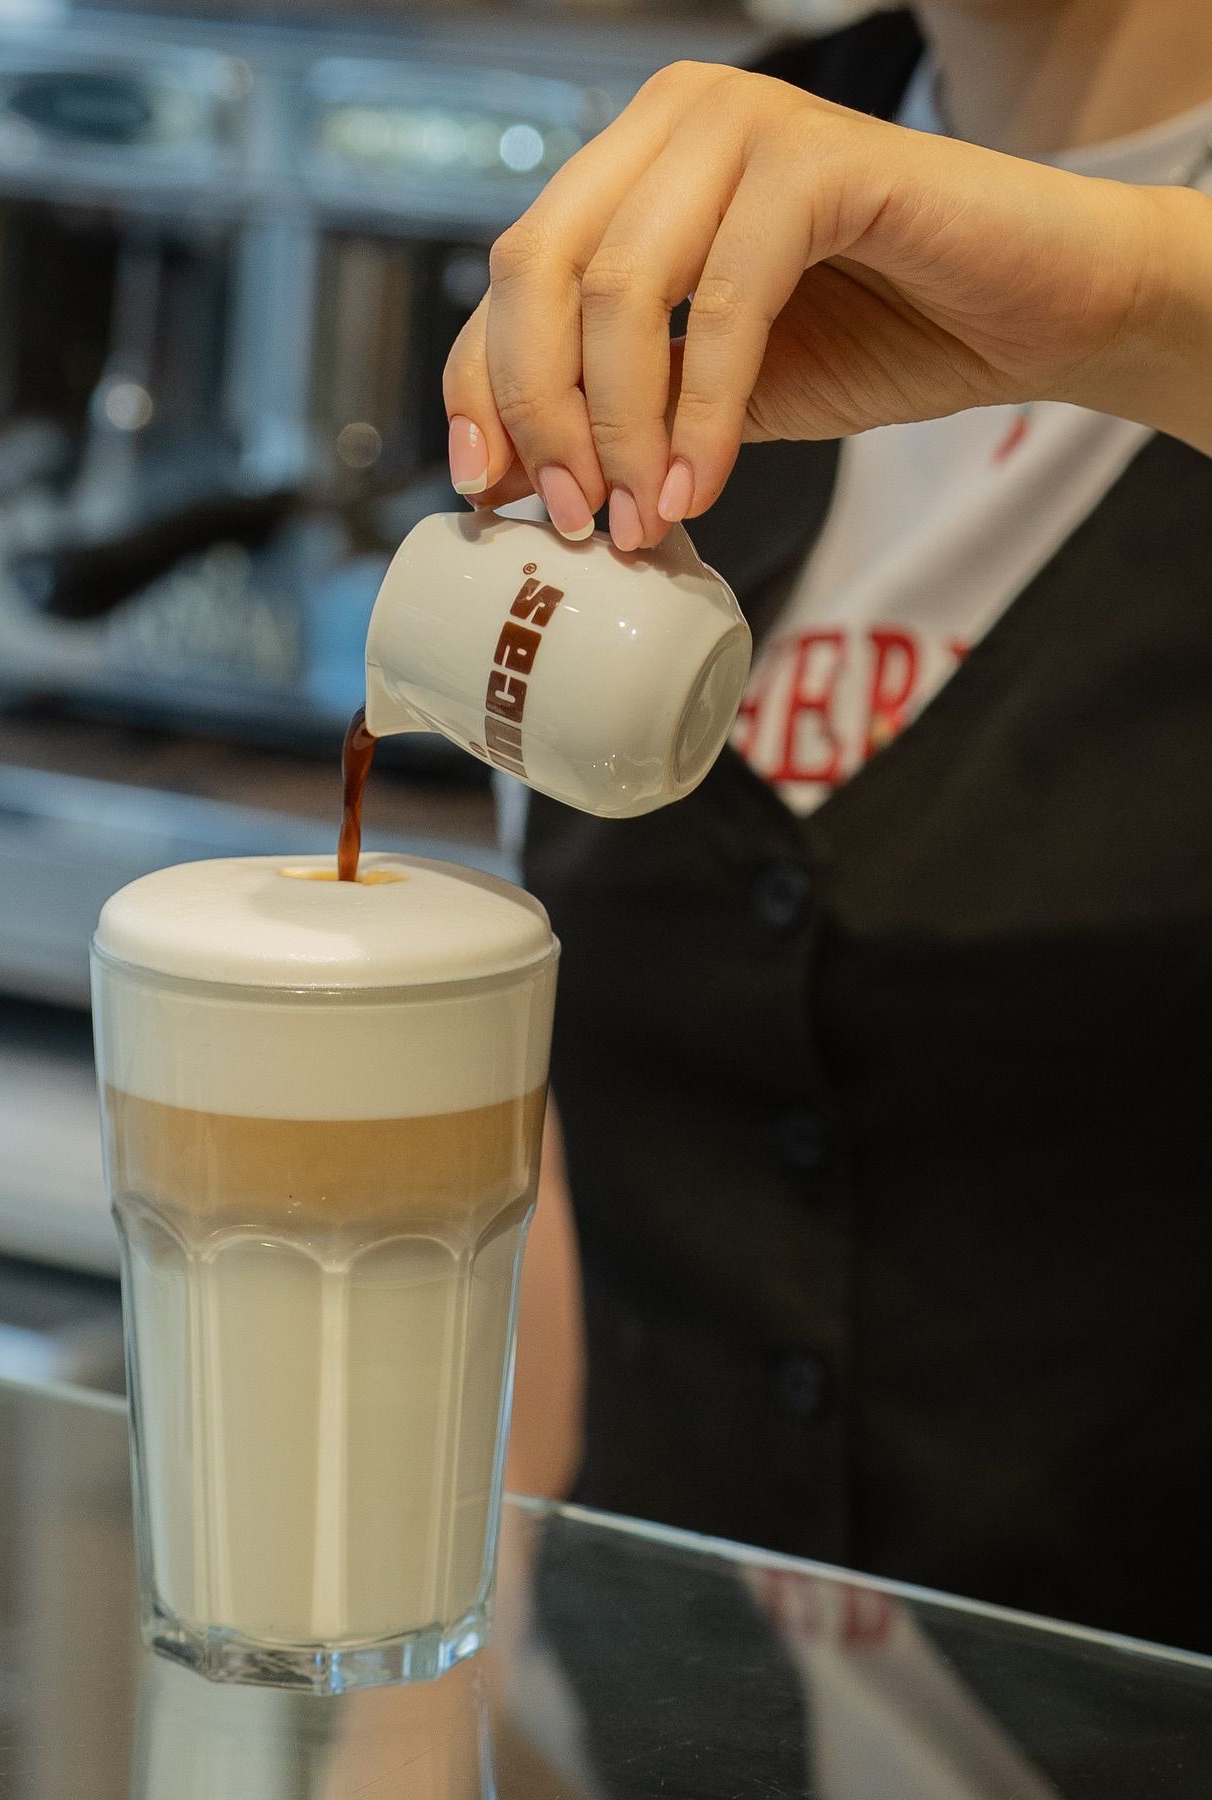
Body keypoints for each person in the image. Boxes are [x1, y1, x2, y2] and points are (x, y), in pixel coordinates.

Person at [445, 1, 1212, 1652]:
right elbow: (586, 1149)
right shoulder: (689, 192)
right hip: (665, 1713)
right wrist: (437, 1694)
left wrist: (1130, 294)